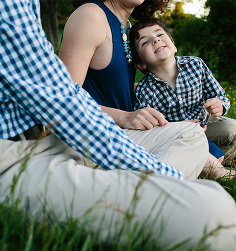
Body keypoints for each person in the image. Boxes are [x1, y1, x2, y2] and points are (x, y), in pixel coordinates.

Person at [0, 0, 236, 251]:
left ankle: (129, 195)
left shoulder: (123, 25)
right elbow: (61, 100)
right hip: (0, 163)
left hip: (52, 140)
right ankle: (145, 194)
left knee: (187, 134)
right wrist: (167, 176)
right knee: (217, 217)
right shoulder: (85, 15)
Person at [58, 0, 219, 179]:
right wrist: (126, 117)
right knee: (190, 134)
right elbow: (64, 99)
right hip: (96, 136)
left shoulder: (126, 26)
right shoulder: (91, 16)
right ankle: (138, 192)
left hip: (126, 132)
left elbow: (114, 86)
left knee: (227, 129)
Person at [128, 19, 236, 178]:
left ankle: (225, 159)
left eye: (160, 34)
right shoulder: (145, 89)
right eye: (145, 42)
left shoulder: (195, 65)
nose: (156, 39)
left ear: (173, 45)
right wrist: (178, 126)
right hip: (178, 133)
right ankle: (215, 166)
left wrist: (219, 105)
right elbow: (149, 128)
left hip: (205, 122)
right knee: (230, 129)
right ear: (140, 64)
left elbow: (219, 95)